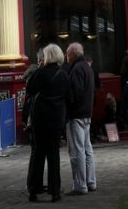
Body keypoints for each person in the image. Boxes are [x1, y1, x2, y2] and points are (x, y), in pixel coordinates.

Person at [26, 43, 69, 202]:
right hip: (56, 119)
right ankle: (55, 191)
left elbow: (30, 89)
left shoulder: (41, 73)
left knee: (38, 154)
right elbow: (68, 96)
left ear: (47, 57)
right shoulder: (63, 75)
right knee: (53, 155)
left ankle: (34, 190)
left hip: (40, 119)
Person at [65, 42, 97, 195]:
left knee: (77, 150)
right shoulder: (87, 67)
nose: (66, 56)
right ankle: (91, 181)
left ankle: (80, 185)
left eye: (67, 53)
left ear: (73, 54)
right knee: (87, 148)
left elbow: (75, 93)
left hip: (76, 114)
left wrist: (67, 106)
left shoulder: (76, 69)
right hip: (86, 113)